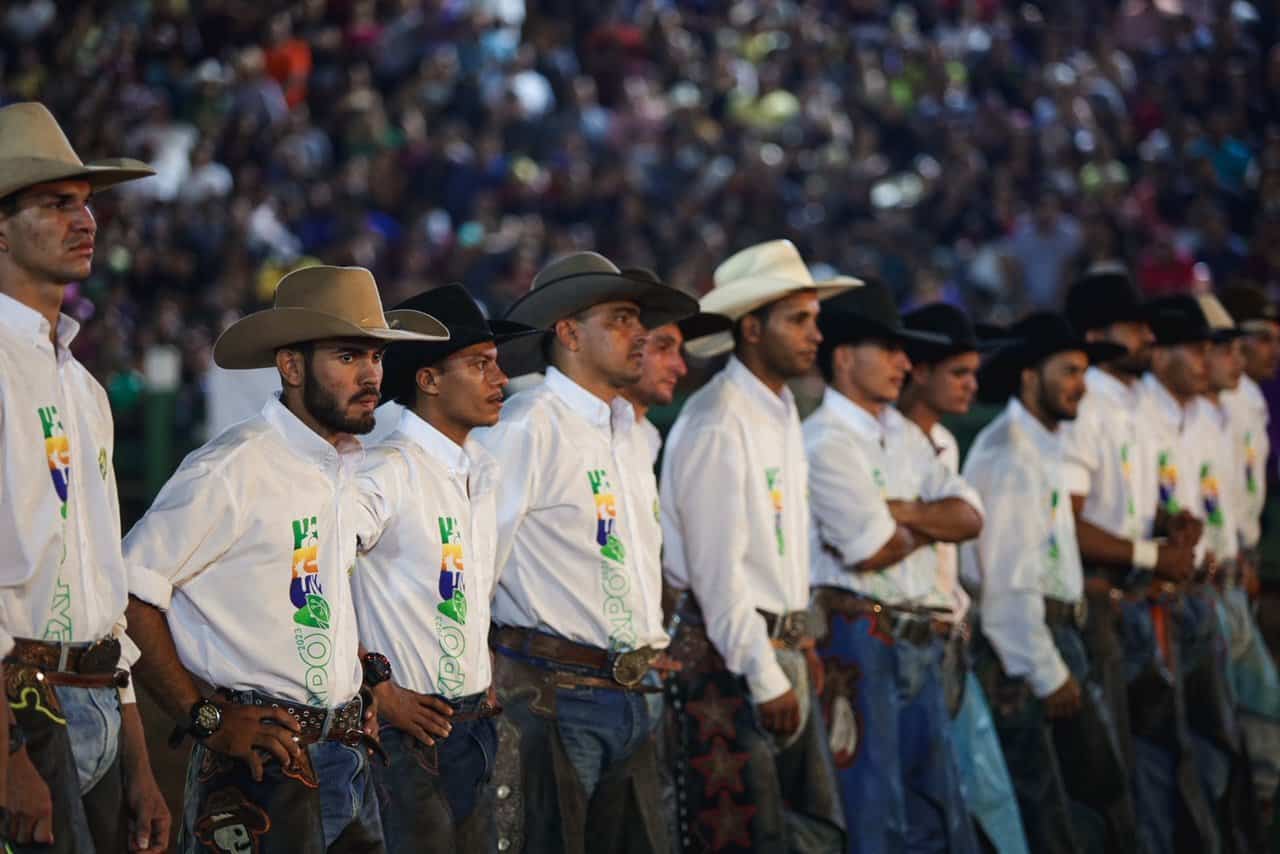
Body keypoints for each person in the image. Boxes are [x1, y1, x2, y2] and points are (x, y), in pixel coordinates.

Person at [122, 265, 446, 853]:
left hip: (343, 755)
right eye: (348, 356)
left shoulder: (342, 466)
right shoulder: (230, 469)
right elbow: (128, 592)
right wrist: (205, 719)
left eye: (374, 356)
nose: (371, 373)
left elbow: (312, 602)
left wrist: (361, 685)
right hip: (260, 764)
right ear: (291, 366)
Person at [472, 251, 697, 854]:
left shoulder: (630, 431)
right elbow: (477, 558)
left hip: (627, 690)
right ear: (568, 333)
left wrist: (648, 635)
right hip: (553, 692)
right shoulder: (527, 425)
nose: (639, 335)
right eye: (621, 319)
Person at [0, 101, 170, 853]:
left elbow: (104, 581)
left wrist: (140, 759)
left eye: (88, 203)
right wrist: (7, 757)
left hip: (94, 697)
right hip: (23, 706)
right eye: (57, 203)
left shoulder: (84, 388)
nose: (87, 220)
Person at [660, 240, 854, 851]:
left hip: (773, 648)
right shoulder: (719, 420)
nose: (814, 335)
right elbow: (720, 578)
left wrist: (800, 641)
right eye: (798, 320)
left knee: (805, 830)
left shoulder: (777, 410)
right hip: (735, 660)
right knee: (757, 834)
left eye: (814, 320)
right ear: (750, 328)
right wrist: (767, 675)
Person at [350, 284, 539, 852]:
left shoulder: (478, 470)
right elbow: (311, 577)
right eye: (480, 364)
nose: (500, 379)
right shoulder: (383, 473)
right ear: (428, 380)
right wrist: (375, 689)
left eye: (496, 364)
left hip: (469, 720)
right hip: (410, 730)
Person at [804, 282, 982, 854]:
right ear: (843, 357)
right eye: (888, 349)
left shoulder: (902, 433)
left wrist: (899, 515)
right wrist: (926, 523)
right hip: (858, 641)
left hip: (913, 635)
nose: (904, 362)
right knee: (873, 811)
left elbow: (972, 516)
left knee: (933, 809)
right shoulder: (823, 440)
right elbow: (869, 548)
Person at [960, 312, 1135, 853]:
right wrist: (1045, 669)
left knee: (1074, 801)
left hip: (1050, 637)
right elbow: (1010, 584)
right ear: (1029, 378)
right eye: (1069, 371)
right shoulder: (1013, 454)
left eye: (1083, 372)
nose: (1080, 385)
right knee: (1046, 811)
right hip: (1028, 651)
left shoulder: (1039, 447)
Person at [1058, 268, 1205, 852]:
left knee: (1157, 760)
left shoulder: (1127, 401)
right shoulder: (1085, 399)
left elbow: (1121, 506)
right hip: (1099, 599)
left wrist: (1166, 526)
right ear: (1098, 333)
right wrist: (1151, 550)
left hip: (1139, 596)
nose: (1148, 335)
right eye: (1134, 326)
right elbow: (1065, 521)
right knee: (1112, 769)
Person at [898, 302, 1030, 854]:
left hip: (948, 637)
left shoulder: (947, 443)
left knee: (984, 798)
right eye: (959, 373)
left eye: (974, 373)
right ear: (919, 371)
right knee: (928, 803)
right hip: (906, 639)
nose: (971, 386)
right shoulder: (885, 443)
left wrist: (908, 516)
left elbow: (965, 524)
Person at [1137, 295, 1261, 852]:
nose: (1207, 359)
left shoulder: (1201, 416)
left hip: (1206, 590)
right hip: (1160, 596)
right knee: (1176, 749)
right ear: (1159, 355)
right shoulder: (1138, 415)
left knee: (1215, 742)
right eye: (1196, 348)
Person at [1217, 284, 1280, 823]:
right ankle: (1250, 809)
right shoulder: (1226, 398)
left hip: (1238, 562)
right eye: (1259, 339)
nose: (1270, 351)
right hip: (1215, 571)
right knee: (1253, 698)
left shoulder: (1250, 397)